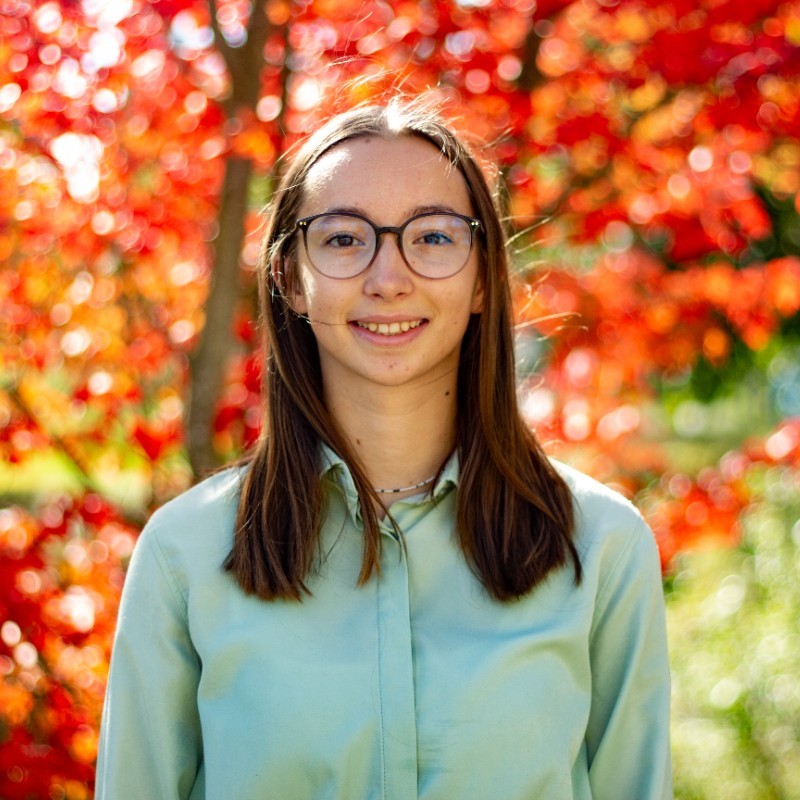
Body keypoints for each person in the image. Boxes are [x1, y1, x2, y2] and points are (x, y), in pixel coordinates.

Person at [96, 98, 672, 800]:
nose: (388, 276)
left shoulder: (602, 547)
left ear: (485, 276)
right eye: (343, 238)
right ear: (288, 279)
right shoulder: (186, 552)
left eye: (431, 237)